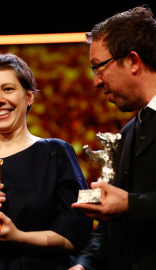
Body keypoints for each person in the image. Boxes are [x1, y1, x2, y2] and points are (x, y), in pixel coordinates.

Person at [0, 53, 93, 270]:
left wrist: (17, 236)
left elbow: (75, 236)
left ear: (29, 97)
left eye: (8, 89)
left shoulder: (55, 153)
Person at [69, 5, 156, 270]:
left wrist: (130, 204)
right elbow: (111, 229)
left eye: (99, 67)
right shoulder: (128, 133)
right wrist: (84, 264)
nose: (96, 81)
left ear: (132, 61)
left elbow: (126, 207)